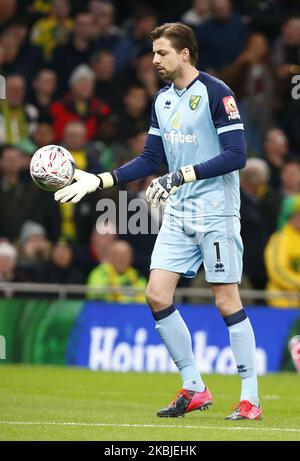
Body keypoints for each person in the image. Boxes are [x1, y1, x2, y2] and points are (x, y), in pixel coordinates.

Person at [54, 22, 261, 421]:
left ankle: (250, 397)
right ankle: (194, 387)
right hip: (180, 211)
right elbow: (151, 158)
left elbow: (237, 155)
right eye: (153, 53)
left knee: (225, 299)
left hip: (215, 211)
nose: (154, 60)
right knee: (156, 295)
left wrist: (180, 175)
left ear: (185, 53)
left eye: (162, 53)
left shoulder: (217, 93)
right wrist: (101, 179)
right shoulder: (163, 100)